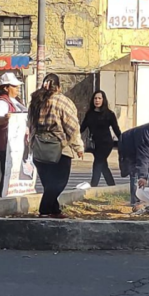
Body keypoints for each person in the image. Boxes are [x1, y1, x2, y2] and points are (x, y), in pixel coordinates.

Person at [28, 74, 84, 219]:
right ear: (58, 87)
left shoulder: (35, 101)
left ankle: (55, 210)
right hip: (59, 148)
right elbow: (72, 127)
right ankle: (45, 210)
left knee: (48, 183)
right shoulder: (63, 101)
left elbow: (30, 124)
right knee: (59, 182)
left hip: (39, 147)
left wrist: (31, 144)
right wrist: (78, 146)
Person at [0, 73, 28, 197]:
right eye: (14, 86)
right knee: (8, 173)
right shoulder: (2, 102)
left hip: (18, 143)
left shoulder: (16, 101)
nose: (17, 89)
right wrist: (6, 118)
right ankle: (4, 198)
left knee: (16, 172)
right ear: (6, 87)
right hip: (7, 144)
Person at [80, 90, 122, 188]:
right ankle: (112, 186)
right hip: (95, 144)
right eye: (95, 98)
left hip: (106, 143)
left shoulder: (109, 114)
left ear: (103, 100)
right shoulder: (89, 114)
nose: (97, 100)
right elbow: (82, 128)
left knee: (97, 163)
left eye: (99, 98)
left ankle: (93, 187)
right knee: (103, 165)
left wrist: (123, 140)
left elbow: (116, 129)